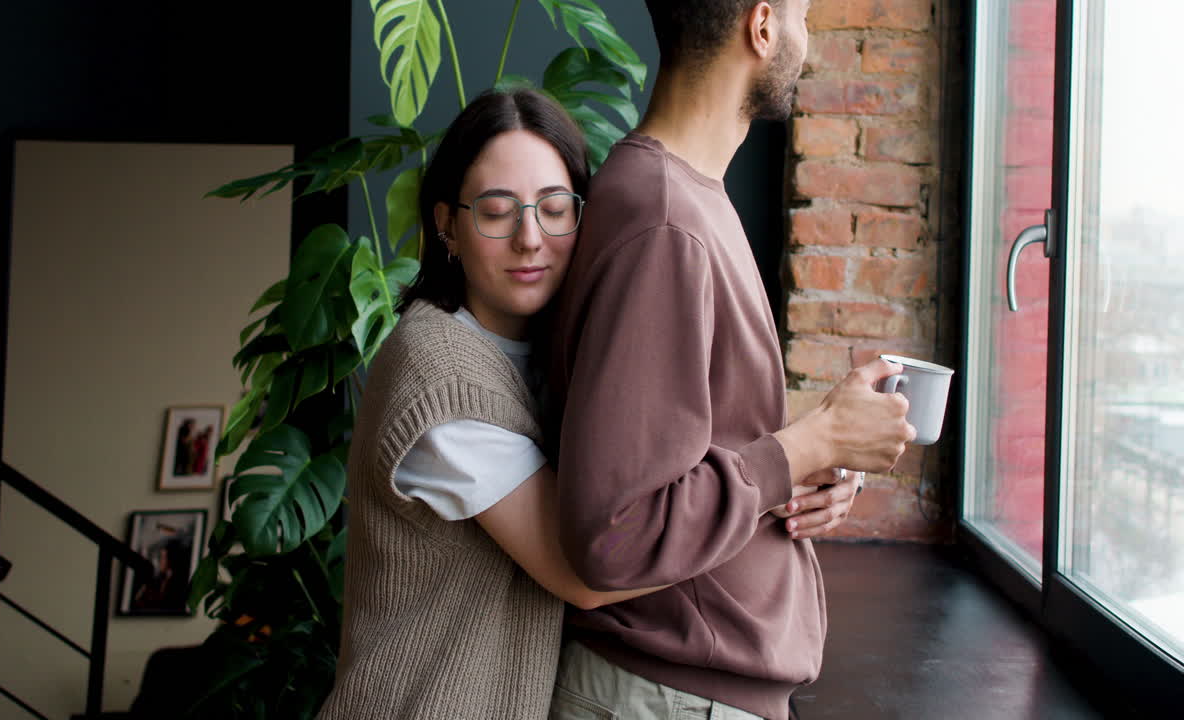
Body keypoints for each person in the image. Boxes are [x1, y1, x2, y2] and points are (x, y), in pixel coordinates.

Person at [545, 2, 917, 719]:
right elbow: (615, 531)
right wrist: (811, 441)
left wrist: (800, 469)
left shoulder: (689, 197)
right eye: (804, 15)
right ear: (764, 25)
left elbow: (685, 456)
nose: (808, 42)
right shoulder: (663, 218)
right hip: (662, 698)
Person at [319, 88, 664, 720]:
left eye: (555, 209)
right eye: (498, 212)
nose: (531, 239)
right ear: (446, 223)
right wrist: (773, 487)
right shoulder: (437, 376)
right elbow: (583, 574)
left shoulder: (562, 357)